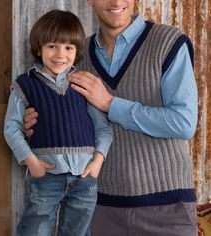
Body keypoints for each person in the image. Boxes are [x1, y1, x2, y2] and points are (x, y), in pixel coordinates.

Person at [24, 1, 198, 235]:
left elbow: (184, 123)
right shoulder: (74, 55)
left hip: (166, 208)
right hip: (101, 209)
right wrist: (35, 125)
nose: (116, 2)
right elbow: (65, 121)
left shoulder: (168, 42)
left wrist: (110, 104)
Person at [4, 9, 113, 236]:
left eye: (68, 47)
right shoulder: (25, 85)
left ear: (76, 51)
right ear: (39, 48)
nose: (60, 54)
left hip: (85, 179)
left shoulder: (82, 84)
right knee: (34, 230)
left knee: (78, 232)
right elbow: (12, 129)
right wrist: (32, 162)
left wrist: (97, 162)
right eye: (52, 46)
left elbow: (103, 129)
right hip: (46, 177)